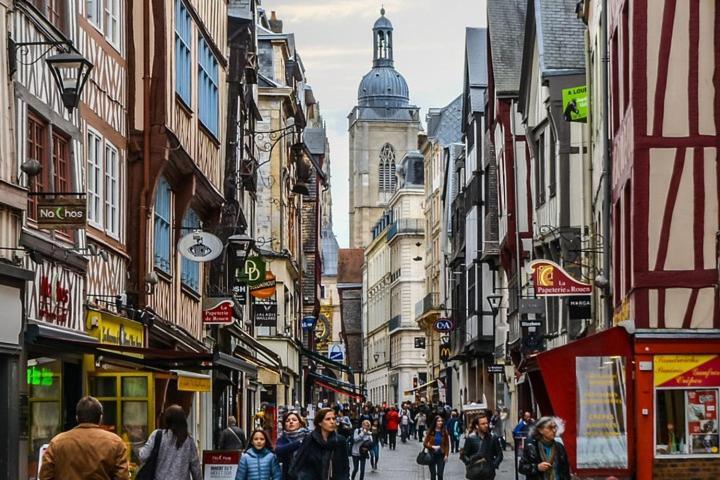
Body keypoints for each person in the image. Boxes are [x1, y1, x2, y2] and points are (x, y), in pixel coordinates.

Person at [38, 396, 129, 480]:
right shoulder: (116, 442)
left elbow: (45, 476)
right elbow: (123, 477)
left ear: (77, 417)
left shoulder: (57, 442)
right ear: (100, 418)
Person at [139, 404, 202, 480]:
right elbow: (196, 469)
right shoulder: (189, 441)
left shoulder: (157, 435)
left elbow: (143, 456)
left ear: (167, 420)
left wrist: (138, 446)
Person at [288, 407, 350, 480]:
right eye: (328, 419)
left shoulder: (340, 441)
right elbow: (297, 464)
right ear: (320, 422)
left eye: (333, 419)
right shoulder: (310, 439)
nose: (332, 422)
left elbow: (345, 466)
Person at [461, 414, 503, 480]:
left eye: (487, 423)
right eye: (483, 424)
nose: (486, 425)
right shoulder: (471, 438)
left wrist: (493, 465)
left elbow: (499, 455)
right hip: (475, 472)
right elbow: (464, 455)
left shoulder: (493, 438)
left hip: (488, 473)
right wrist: (470, 462)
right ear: (477, 426)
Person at [276, 411, 310, 479]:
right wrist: (299, 443)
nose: (291, 422)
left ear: (300, 423)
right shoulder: (283, 438)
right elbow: (279, 450)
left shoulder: (308, 436)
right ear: (284, 425)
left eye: (294, 420)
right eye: (287, 421)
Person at [423, 415, 450, 480]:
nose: (440, 422)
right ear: (435, 422)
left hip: (441, 455)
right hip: (431, 455)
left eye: (441, 421)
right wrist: (432, 446)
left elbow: (447, 444)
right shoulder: (431, 432)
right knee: (433, 474)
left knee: (440, 474)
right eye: (438, 421)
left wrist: (446, 455)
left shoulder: (444, 432)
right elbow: (425, 444)